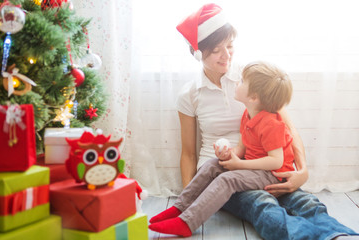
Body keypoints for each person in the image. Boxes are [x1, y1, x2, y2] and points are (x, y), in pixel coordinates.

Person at [151, 3, 358, 240]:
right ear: (198, 52)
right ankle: (181, 215)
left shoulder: (252, 80)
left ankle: (338, 235)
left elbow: (287, 128)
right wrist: (192, 199)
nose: (227, 55)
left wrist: (302, 171)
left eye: (230, 46)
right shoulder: (189, 94)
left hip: (264, 166)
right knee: (261, 203)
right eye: (218, 50)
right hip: (221, 172)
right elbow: (188, 154)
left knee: (304, 200)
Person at [149, 61, 296, 237]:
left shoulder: (272, 124)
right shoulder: (248, 114)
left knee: (228, 179)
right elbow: (242, 148)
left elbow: (276, 161)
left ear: (254, 97)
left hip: (274, 174)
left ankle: (187, 223)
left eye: (242, 82)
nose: (236, 83)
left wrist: (238, 166)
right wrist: (229, 154)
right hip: (256, 167)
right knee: (212, 164)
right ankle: (179, 207)